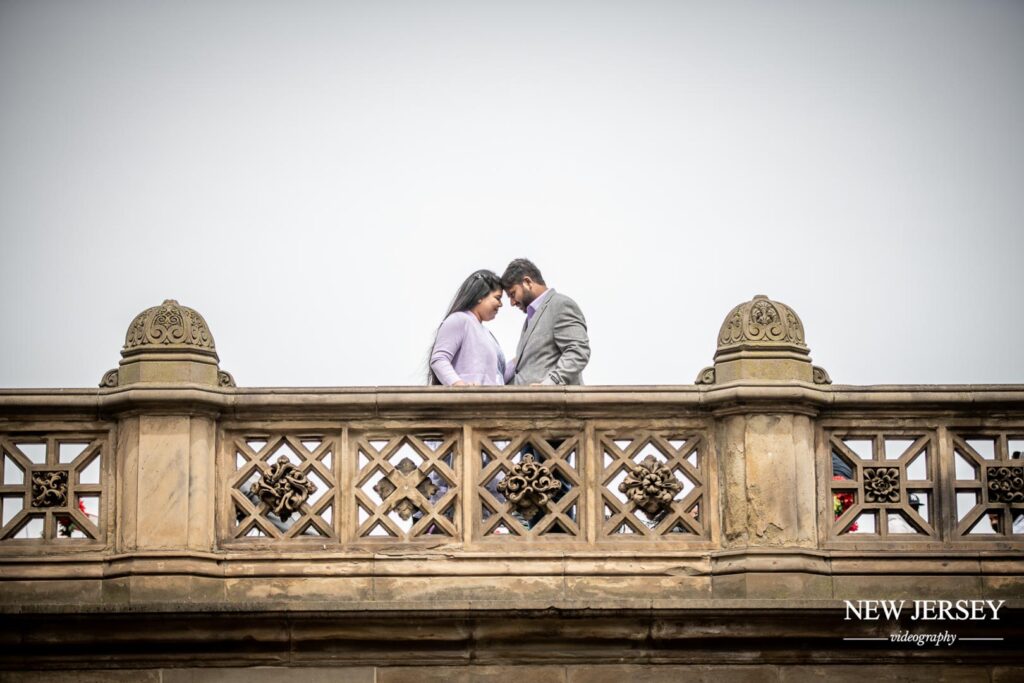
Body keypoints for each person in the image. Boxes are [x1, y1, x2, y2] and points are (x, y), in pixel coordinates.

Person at [501, 258, 590, 386]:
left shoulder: (560, 305)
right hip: (529, 403)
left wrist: (549, 384)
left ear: (527, 282)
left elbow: (578, 351)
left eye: (512, 294)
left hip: (552, 403)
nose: (512, 302)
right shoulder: (531, 316)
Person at [428, 269, 507, 386]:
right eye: (497, 298)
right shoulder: (460, 320)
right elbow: (439, 359)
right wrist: (459, 386)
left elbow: (498, 375)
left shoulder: (486, 333)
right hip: (468, 401)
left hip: (489, 401)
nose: (501, 304)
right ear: (480, 296)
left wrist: (522, 357)